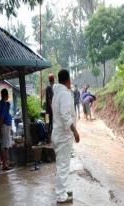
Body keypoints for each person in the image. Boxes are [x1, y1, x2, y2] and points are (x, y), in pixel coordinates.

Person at [52, 69, 80, 203]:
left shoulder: (57, 94)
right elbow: (65, 115)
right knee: (63, 166)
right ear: (68, 80)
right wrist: (75, 131)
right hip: (63, 135)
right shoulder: (63, 94)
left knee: (61, 165)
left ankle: (61, 190)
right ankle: (60, 195)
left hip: (59, 134)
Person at [0, 89, 12, 170]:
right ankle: (4, 164)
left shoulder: (1, 104)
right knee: (5, 146)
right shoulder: (3, 104)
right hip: (5, 126)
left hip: (4, 125)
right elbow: (2, 117)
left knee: (5, 145)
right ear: (6, 95)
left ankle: (6, 163)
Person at [45, 74, 55, 143]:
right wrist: (52, 109)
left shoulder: (51, 88)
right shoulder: (49, 88)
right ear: (53, 80)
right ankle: (49, 140)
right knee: (49, 125)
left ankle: (49, 140)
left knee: (49, 124)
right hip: (49, 111)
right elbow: (49, 100)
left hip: (48, 111)